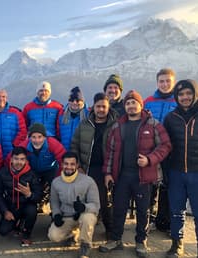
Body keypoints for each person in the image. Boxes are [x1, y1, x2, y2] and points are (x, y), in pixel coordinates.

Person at [99, 90, 171, 258]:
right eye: (128, 103)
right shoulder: (118, 125)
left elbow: (166, 145)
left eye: (134, 103)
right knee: (119, 209)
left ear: (141, 104)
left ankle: (141, 241)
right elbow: (110, 151)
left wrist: (150, 159)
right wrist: (108, 173)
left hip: (143, 177)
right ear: (125, 106)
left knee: (143, 210)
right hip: (122, 176)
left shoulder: (153, 124)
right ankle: (116, 239)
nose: (131, 106)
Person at [163, 79, 198, 258]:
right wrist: (165, 174)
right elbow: (165, 147)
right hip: (176, 173)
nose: (185, 97)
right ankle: (176, 245)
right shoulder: (171, 118)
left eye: (189, 94)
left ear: (196, 95)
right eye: (181, 94)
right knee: (176, 212)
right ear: (176, 97)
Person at [71, 92, 118, 239]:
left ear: (108, 107)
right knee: (82, 198)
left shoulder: (116, 124)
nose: (101, 110)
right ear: (93, 107)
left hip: (107, 169)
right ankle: (77, 229)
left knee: (104, 201)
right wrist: (77, 166)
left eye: (104, 106)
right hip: (87, 167)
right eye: (98, 106)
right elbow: (74, 145)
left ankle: (110, 229)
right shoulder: (84, 124)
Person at [48, 152, 100, 258]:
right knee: (53, 236)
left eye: (72, 164)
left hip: (83, 215)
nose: (69, 167)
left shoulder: (88, 181)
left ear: (77, 165)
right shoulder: (56, 182)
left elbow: (96, 205)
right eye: (66, 164)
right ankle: (73, 234)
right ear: (62, 164)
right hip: (66, 216)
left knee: (88, 218)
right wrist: (56, 215)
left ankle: (85, 245)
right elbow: (54, 202)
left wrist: (84, 207)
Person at [144, 68, 177, 232]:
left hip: (171, 151)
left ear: (173, 82)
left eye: (168, 81)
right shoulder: (148, 101)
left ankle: (165, 221)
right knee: (151, 186)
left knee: (168, 186)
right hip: (151, 150)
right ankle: (149, 219)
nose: (164, 84)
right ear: (157, 82)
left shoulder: (178, 101)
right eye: (161, 81)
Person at [0, 146, 42, 246]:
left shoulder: (32, 174)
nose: (19, 162)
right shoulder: (3, 173)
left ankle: (26, 234)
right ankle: (16, 224)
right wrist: (5, 211)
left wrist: (29, 194)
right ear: (11, 159)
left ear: (26, 160)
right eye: (16, 159)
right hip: (11, 206)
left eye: (22, 159)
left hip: (26, 205)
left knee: (32, 210)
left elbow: (38, 196)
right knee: (3, 231)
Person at [18, 123, 66, 211]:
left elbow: (63, 161)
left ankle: (56, 211)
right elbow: (13, 159)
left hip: (50, 169)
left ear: (45, 137)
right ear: (29, 138)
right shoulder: (24, 146)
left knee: (57, 186)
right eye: (33, 137)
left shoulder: (53, 144)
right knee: (30, 185)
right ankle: (31, 207)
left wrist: (59, 177)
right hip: (32, 170)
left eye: (39, 137)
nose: (37, 140)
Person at [58, 86, 89, 150]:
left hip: (81, 153)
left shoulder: (88, 115)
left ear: (82, 101)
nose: (74, 103)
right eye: (71, 100)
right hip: (65, 153)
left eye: (77, 100)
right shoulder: (61, 114)